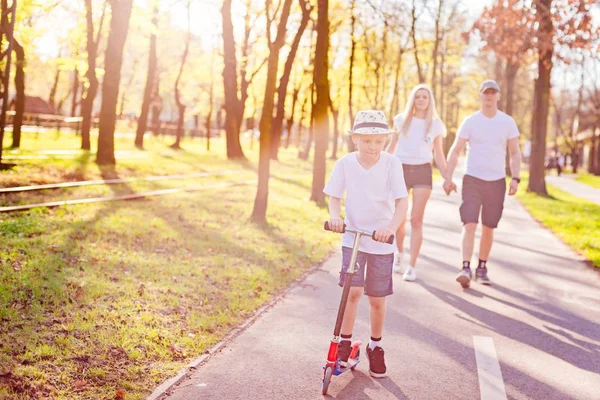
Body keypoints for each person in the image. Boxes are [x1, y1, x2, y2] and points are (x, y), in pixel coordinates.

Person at [324, 110, 409, 378]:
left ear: (385, 140)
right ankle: (344, 343)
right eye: (367, 141)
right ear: (356, 139)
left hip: (380, 239)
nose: (373, 147)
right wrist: (335, 218)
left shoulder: (392, 164)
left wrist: (390, 229)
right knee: (352, 292)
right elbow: (335, 197)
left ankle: (376, 346)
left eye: (378, 141)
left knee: (376, 298)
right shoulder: (345, 163)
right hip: (354, 236)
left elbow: (401, 202)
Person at [444, 79, 522, 288]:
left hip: (496, 181)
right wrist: (448, 177)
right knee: (469, 224)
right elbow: (455, 150)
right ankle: (465, 267)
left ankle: (482, 267)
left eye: (492, 92)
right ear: (480, 95)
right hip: (472, 179)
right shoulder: (471, 121)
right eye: (485, 92)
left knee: (488, 227)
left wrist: (515, 177)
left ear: (498, 95)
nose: (489, 96)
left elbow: (514, 152)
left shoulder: (507, 122)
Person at [387, 84, 453, 282]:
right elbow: (391, 148)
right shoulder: (401, 120)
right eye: (418, 97)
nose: (421, 100)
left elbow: (439, 154)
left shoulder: (435, 125)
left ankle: (412, 266)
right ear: (413, 100)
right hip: (401, 170)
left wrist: (447, 177)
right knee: (399, 220)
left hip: (423, 171)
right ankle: (398, 254)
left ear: (430, 100)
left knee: (417, 220)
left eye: (425, 97)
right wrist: (378, 170)